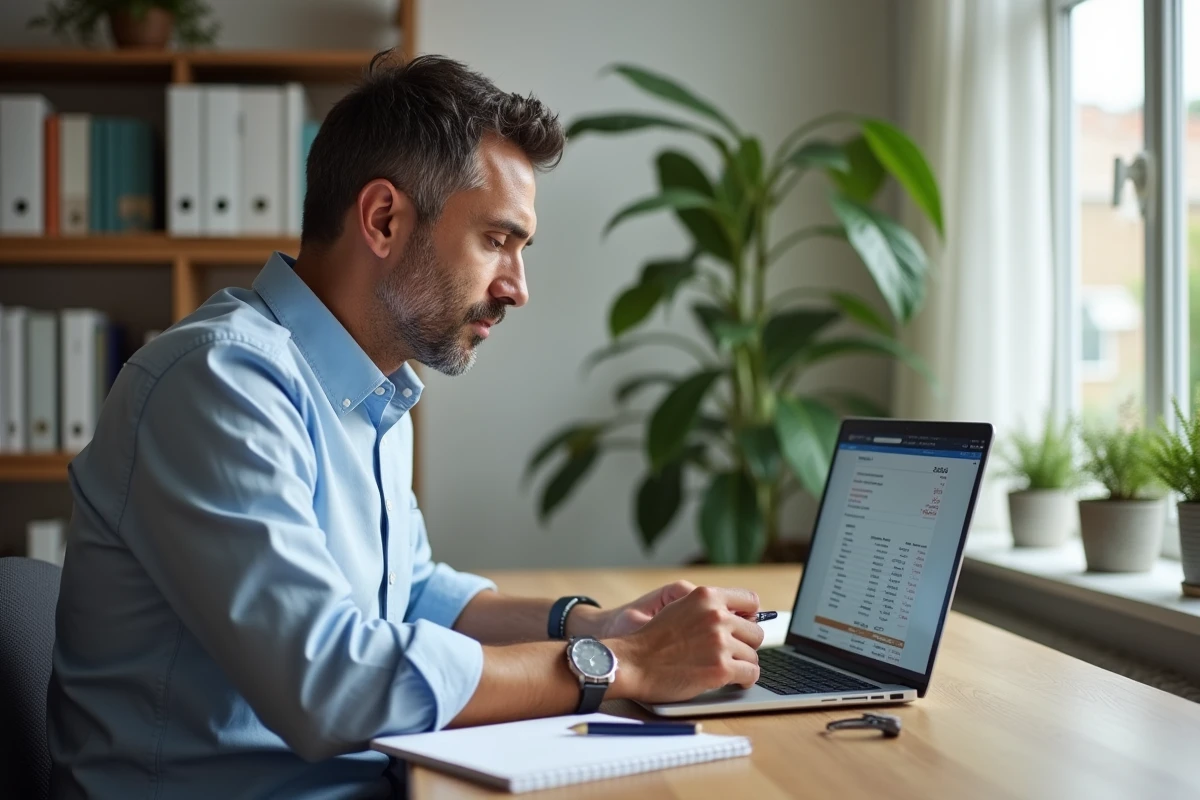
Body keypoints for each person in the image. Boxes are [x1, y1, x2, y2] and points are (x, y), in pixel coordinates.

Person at [47, 52, 763, 800]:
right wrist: (630, 666)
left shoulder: (373, 387)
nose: (517, 288)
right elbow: (332, 683)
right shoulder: (219, 385)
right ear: (384, 219)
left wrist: (594, 627)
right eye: (496, 240)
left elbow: (411, 592)